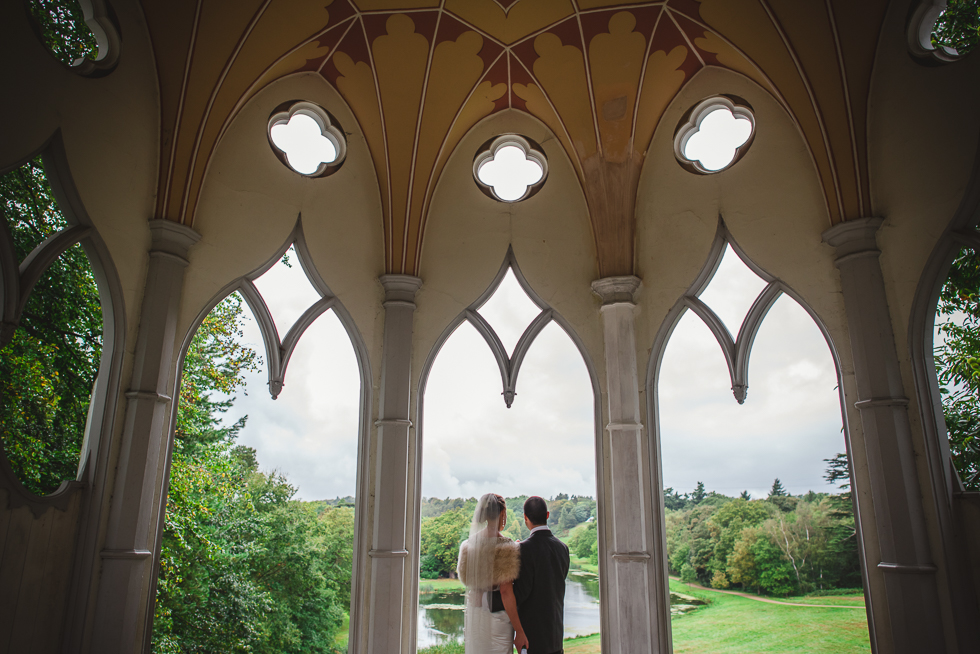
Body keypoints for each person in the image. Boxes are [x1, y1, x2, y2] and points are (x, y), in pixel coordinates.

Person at [458, 493, 528, 654]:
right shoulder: (506, 547)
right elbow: (505, 592)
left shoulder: (467, 546)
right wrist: (520, 630)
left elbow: (465, 579)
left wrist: (482, 590)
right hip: (497, 618)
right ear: (502, 514)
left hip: (474, 615)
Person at [513, 496, 570, 654]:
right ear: (547, 515)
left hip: (532, 638)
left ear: (525, 518)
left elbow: (520, 594)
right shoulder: (563, 548)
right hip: (556, 635)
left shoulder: (523, 550)